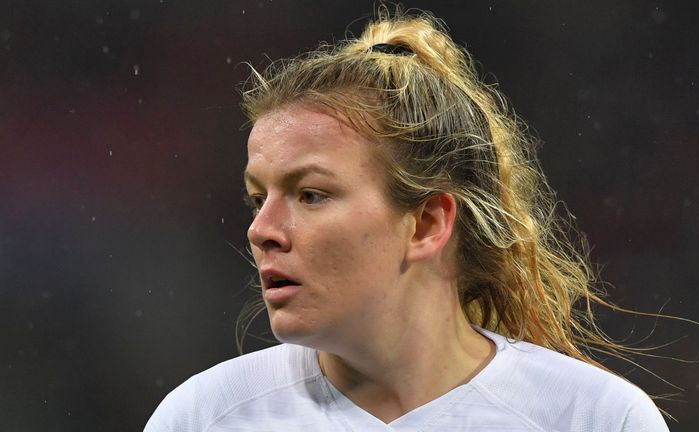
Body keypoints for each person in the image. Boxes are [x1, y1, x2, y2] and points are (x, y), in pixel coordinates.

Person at [145, 9, 669, 432]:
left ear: (425, 224)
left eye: (310, 195)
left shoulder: (595, 418)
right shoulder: (203, 418)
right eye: (257, 198)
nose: (260, 231)